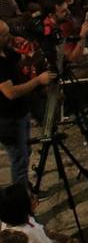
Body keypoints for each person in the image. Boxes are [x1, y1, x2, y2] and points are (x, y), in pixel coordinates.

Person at [0, 21, 53, 191]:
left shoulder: (6, 51)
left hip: (20, 113)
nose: (10, 36)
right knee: (19, 160)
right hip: (7, 119)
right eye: (5, 34)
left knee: (25, 152)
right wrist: (38, 80)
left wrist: (35, 56)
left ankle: (25, 189)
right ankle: (22, 201)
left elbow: (20, 63)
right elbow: (10, 93)